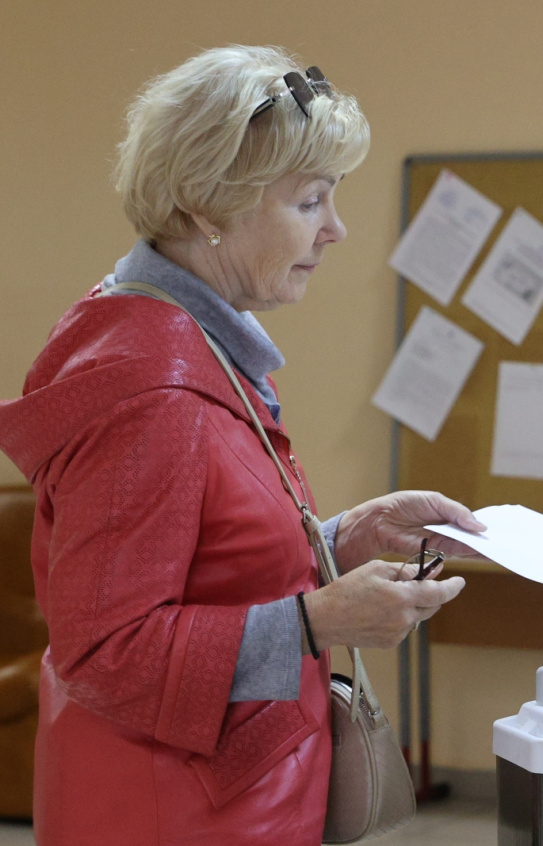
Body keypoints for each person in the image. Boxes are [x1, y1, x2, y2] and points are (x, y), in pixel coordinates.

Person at [0, 45, 485, 845]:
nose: (336, 229)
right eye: (309, 201)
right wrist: (317, 622)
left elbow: (212, 562)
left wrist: (344, 538)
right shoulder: (151, 394)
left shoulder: (191, 339)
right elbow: (106, 652)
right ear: (206, 208)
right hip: (175, 814)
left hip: (231, 794)